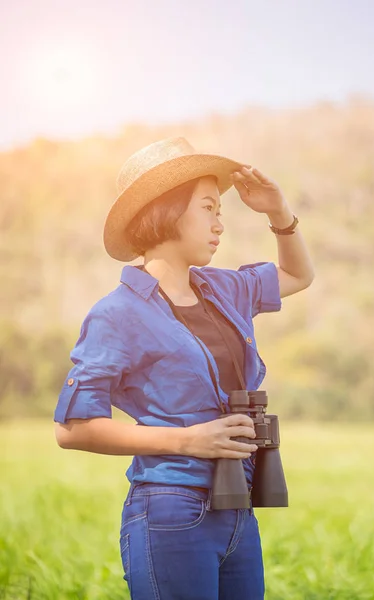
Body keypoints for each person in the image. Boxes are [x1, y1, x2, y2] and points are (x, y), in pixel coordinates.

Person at [54, 136, 314, 600]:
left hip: (237, 508)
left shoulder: (224, 290)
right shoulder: (117, 313)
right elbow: (73, 429)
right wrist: (190, 439)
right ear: (168, 210)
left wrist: (279, 212)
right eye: (209, 208)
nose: (220, 225)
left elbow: (298, 276)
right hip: (171, 511)